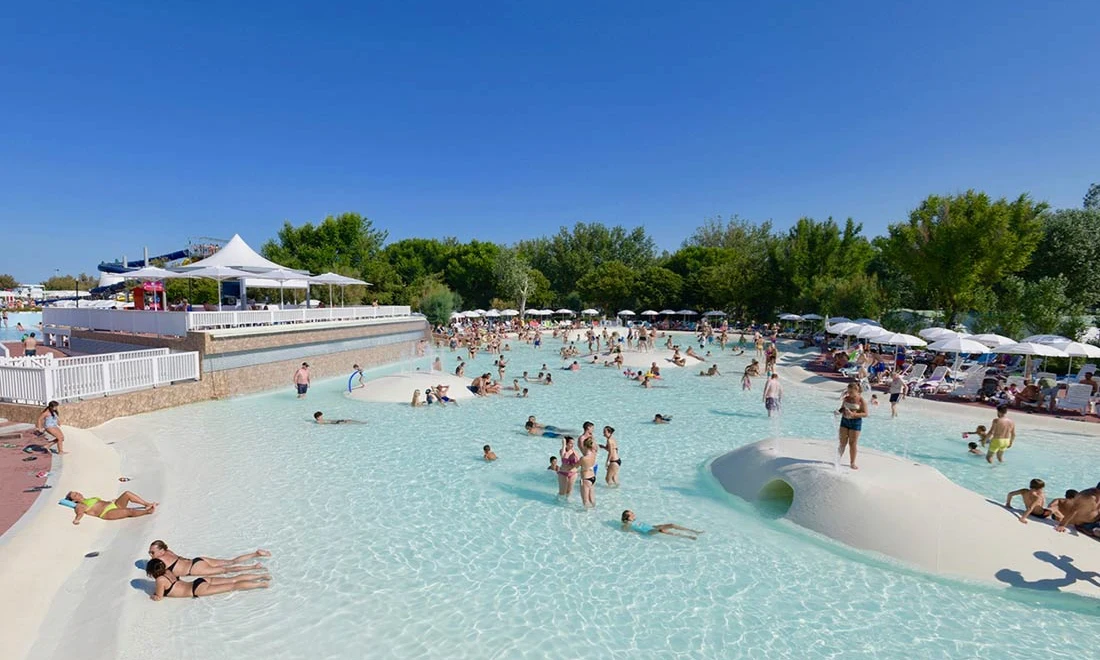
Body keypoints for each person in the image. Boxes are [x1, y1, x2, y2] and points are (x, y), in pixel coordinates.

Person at [146, 558, 270, 600]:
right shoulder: (169, 571)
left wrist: (153, 596)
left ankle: (261, 584)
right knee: (233, 579)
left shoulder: (160, 580)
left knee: (233, 586)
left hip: (196, 589)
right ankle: (261, 576)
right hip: (199, 581)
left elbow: (159, 597)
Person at [148, 540, 270, 577]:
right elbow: (181, 559)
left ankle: (254, 567)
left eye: (152, 552)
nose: (150, 554)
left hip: (194, 569)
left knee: (227, 570)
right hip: (197, 560)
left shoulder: (160, 561)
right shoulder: (170, 552)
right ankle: (256, 554)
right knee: (230, 562)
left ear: (161, 551)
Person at [65, 490, 157, 524]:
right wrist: (76, 520)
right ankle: (148, 511)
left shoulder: (89, 499)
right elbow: (80, 512)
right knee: (128, 511)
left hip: (113, 505)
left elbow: (101, 502)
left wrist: (111, 501)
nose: (78, 494)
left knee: (127, 493)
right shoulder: (80, 505)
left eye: (77, 492)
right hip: (106, 513)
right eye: (75, 495)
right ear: (74, 501)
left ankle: (146, 504)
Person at [837, 382, 867, 470]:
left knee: (852, 443)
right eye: (848, 391)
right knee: (842, 442)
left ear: (857, 391)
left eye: (851, 392)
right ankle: (837, 460)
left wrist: (854, 414)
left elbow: (865, 414)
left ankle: (852, 462)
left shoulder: (861, 400)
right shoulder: (846, 398)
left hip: (855, 423)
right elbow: (842, 408)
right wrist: (838, 412)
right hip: (844, 421)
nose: (849, 394)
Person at [621, 510, 703, 540]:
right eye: (631, 514)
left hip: (651, 527)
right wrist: (635, 533)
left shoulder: (634, 519)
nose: (633, 514)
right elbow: (626, 529)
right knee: (661, 530)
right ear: (628, 518)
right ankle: (688, 537)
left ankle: (694, 531)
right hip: (648, 532)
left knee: (672, 525)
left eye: (632, 513)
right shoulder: (628, 523)